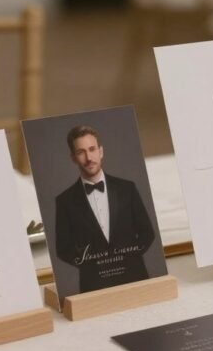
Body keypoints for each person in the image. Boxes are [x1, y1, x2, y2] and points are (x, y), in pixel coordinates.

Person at [54, 125, 156, 293]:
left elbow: (147, 233)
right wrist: (93, 264)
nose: (88, 158)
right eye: (81, 152)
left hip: (135, 278)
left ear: (101, 151)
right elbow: (63, 249)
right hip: (94, 285)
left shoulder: (127, 188)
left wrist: (127, 259)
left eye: (92, 149)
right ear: (73, 158)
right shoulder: (64, 201)